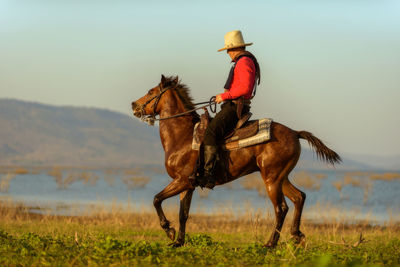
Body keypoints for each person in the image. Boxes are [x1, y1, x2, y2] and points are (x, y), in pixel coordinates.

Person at [197, 30, 261, 189]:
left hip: (235, 106)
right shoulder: (242, 61)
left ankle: (209, 175)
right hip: (233, 104)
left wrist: (224, 96)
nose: (227, 53)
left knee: (211, 132)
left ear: (235, 49)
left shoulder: (244, 62)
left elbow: (245, 88)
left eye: (228, 50)